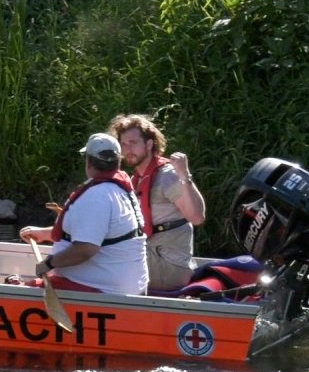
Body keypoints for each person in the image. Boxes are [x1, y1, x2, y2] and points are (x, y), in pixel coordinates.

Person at [17, 133, 149, 295]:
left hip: (102, 291)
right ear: (117, 162)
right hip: (126, 287)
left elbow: (85, 249)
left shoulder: (97, 196)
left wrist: (49, 263)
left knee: (15, 290)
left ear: (89, 162)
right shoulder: (120, 190)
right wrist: (45, 234)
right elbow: (97, 234)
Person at [108, 114, 205, 292]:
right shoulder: (136, 179)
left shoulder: (168, 176)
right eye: (123, 144)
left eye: (133, 142)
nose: (128, 149)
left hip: (168, 266)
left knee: (100, 264)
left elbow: (197, 217)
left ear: (149, 144)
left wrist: (184, 175)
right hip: (151, 258)